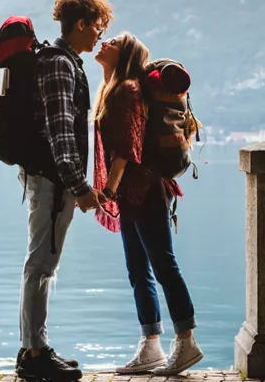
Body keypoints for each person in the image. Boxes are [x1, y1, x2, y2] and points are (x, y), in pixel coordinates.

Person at [15, 0, 113, 382]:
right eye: (98, 28)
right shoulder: (60, 65)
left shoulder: (65, 61)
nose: (100, 37)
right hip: (53, 181)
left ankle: (34, 347)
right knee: (41, 263)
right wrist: (79, 186)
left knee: (43, 264)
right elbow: (61, 133)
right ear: (80, 24)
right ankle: (34, 354)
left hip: (51, 179)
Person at [92, 32, 204, 375]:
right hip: (133, 193)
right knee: (138, 270)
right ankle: (150, 345)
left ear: (124, 53)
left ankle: (186, 342)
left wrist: (108, 190)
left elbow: (128, 147)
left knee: (162, 265)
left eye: (111, 40)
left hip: (145, 189)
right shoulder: (116, 87)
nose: (103, 43)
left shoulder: (127, 90)